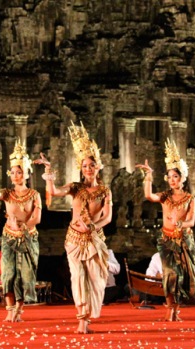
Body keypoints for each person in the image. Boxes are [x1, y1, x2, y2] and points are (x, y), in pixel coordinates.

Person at [35, 121, 112, 334]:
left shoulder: (105, 190)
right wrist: (49, 171)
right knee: (77, 278)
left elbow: (107, 217)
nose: (88, 169)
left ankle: (89, 315)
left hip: (94, 239)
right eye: (85, 165)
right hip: (74, 240)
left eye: (92, 165)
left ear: (98, 167)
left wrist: (93, 227)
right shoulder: (74, 187)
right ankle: (82, 320)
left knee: (96, 279)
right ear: (81, 168)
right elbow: (55, 191)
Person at [0, 138, 42, 322]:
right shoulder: (7, 193)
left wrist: (22, 227)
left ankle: (19, 310)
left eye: (19, 172)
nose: (15, 175)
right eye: (12, 172)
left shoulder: (34, 195)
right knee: (8, 273)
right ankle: (9, 308)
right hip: (9, 237)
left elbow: (37, 218)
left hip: (28, 238)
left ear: (26, 173)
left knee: (25, 275)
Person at [136, 138, 195, 322]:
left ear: (183, 178)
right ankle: (169, 308)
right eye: (170, 176)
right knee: (169, 274)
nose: (172, 180)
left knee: (180, 277)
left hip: (183, 241)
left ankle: (175, 309)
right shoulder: (165, 196)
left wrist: (181, 224)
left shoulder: (189, 198)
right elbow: (149, 195)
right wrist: (148, 176)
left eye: (176, 176)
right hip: (167, 240)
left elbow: (192, 221)